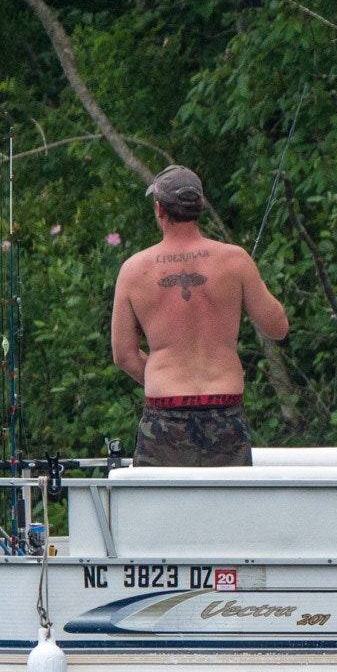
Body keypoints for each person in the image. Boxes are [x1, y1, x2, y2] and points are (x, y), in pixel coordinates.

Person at [110, 166, 291, 467]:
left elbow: (124, 355)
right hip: (225, 410)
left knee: (161, 500)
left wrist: (164, 378)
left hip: (164, 413)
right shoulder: (235, 260)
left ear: (159, 208)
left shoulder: (134, 270)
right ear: (201, 206)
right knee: (226, 500)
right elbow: (278, 328)